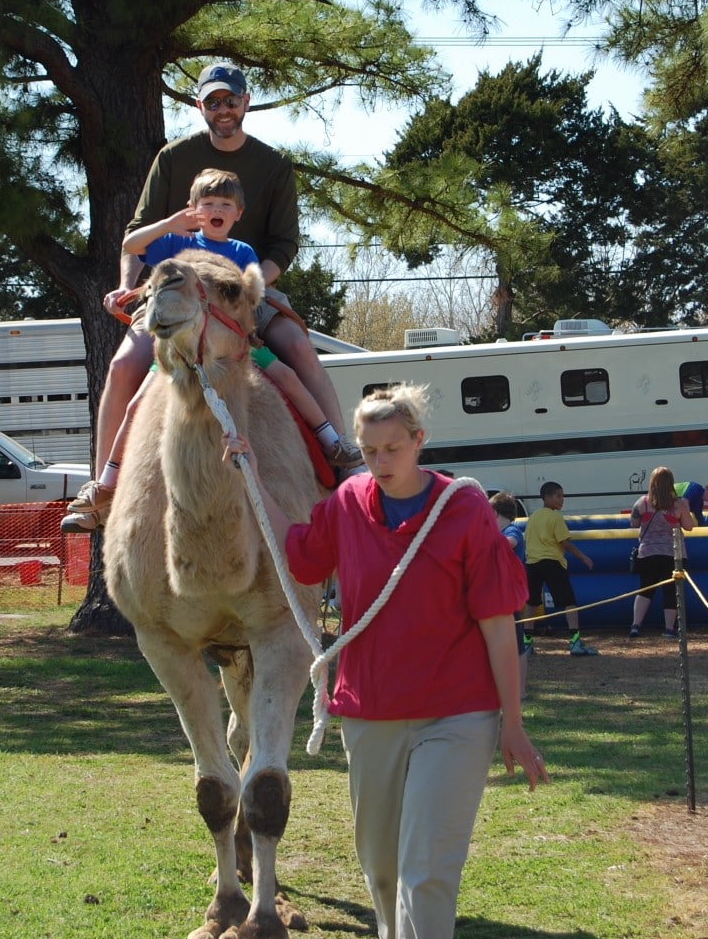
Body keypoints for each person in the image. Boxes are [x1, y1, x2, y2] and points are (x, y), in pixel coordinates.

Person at [222, 383, 549, 939]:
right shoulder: (349, 502)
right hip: (370, 715)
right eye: (369, 451)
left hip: (456, 717)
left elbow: (498, 623)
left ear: (418, 441)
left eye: (392, 449)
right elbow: (299, 553)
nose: (380, 462)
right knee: (380, 868)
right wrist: (250, 474)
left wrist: (512, 725)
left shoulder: (464, 508)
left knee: (425, 871)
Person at [85, 61, 350, 507]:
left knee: (299, 348)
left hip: (245, 285)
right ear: (199, 106)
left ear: (245, 102)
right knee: (124, 366)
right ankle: (100, 490)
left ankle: (345, 461)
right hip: (176, 288)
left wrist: (244, 289)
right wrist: (129, 285)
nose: (222, 109)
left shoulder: (274, 165)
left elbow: (284, 244)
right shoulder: (172, 158)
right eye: (213, 102)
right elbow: (137, 233)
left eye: (230, 100)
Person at [62, 169, 361, 531]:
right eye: (207, 204)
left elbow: (247, 301)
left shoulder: (241, 252)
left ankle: (333, 443)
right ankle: (106, 483)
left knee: (287, 375)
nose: (215, 209)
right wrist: (169, 224)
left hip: (231, 345)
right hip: (180, 350)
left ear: (239, 213)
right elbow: (131, 246)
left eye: (225, 204)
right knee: (135, 403)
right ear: (193, 209)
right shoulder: (176, 244)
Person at [523, 481, 599, 656]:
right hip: (552, 562)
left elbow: (527, 540)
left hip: (533, 564)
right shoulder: (555, 517)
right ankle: (575, 642)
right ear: (547, 497)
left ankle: (527, 643)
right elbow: (564, 542)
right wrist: (584, 557)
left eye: (562, 496)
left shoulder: (533, 517)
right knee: (569, 602)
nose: (561, 500)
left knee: (531, 602)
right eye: (558, 496)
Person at [629, 466, 693, 639]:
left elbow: (633, 523)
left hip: (648, 553)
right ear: (671, 483)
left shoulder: (642, 502)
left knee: (645, 590)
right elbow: (689, 526)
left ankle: (635, 625)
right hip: (673, 553)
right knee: (671, 591)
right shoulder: (679, 504)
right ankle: (669, 629)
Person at [489, 492, 530, 701]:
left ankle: (520, 690)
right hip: (498, 596)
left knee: (517, 644)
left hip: (511, 596)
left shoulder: (512, 530)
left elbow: (510, 542)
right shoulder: (497, 533)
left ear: (494, 513)